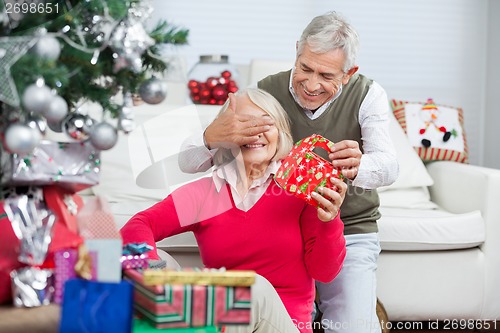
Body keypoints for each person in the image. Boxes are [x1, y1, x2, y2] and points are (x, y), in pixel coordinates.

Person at [178, 12, 399, 333]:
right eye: (305, 68)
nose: (311, 84)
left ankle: (353, 308)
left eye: (326, 75)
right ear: (297, 50)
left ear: (349, 73)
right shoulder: (264, 92)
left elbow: (389, 166)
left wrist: (359, 164)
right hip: (281, 233)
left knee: (353, 328)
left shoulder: (369, 95)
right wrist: (211, 136)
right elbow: (187, 161)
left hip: (348, 229)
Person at [121, 88, 347, 333]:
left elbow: (324, 273)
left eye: (265, 124)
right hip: (220, 323)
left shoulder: (300, 190)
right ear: (225, 136)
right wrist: (151, 267)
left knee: (253, 288)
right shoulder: (205, 194)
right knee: (156, 261)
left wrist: (330, 221)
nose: (255, 133)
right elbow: (139, 225)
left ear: (280, 134)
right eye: (245, 125)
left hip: (283, 325)